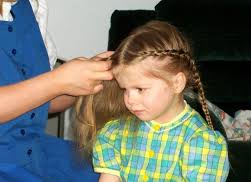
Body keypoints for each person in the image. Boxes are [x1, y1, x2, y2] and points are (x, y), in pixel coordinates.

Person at [75, 20, 230, 181]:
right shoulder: (116, 133)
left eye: (140, 89)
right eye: (124, 89)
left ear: (177, 83)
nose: (130, 99)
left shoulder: (200, 143)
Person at [0, 0, 112, 181]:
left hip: (37, 154)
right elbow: (50, 85)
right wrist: (58, 80)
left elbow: (44, 101)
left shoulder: (31, 7)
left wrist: (84, 80)